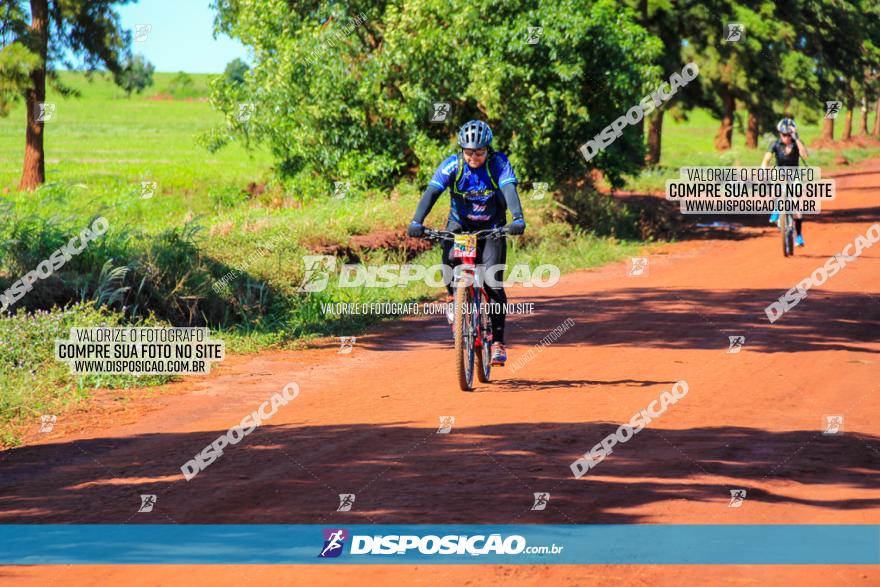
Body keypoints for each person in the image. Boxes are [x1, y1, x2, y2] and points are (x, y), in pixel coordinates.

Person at [407, 120, 525, 366]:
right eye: (469, 152)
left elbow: (510, 190)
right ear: (462, 149)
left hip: (492, 228)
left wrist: (517, 218)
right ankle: (454, 298)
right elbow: (431, 192)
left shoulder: (498, 163)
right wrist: (417, 221)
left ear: (487, 149)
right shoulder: (453, 165)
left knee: (493, 284)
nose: (474, 157)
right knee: (449, 259)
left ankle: (497, 343)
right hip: (460, 226)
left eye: (479, 152)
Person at [762, 117, 810, 246]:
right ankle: (777, 210)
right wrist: (763, 169)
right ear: (780, 134)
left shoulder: (796, 143)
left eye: (789, 135)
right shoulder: (775, 144)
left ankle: (799, 236)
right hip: (780, 174)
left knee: (795, 204)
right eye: (784, 135)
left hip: (794, 175)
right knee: (774, 189)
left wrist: (797, 139)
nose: (787, 138)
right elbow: (766, 159)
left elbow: (805, 155)